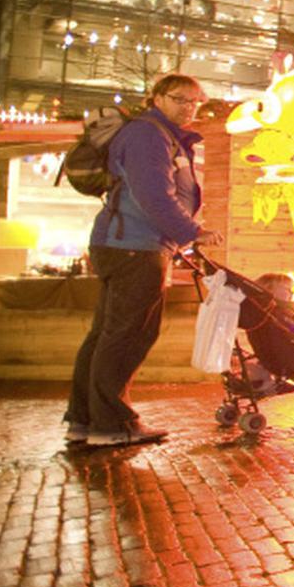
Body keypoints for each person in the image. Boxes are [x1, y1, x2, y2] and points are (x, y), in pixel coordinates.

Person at [66, 74, 220, 448]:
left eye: (195, 101)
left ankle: (85, 420)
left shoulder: (161, 135)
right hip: (135, 247)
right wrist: (190, 232)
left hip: (130, 244)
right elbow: (153, 194)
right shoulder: (148, 135)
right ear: (157, 98)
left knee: (107, 333)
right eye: (180, 99)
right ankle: (111, 423)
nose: (189, 107)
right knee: (129, 334)